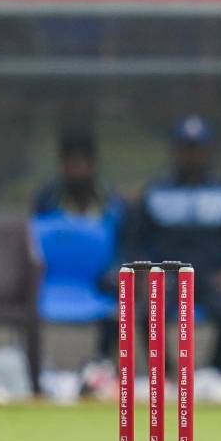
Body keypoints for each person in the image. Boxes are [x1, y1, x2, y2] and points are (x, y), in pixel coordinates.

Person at [133, 115, 221, 381]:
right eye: (186, 148)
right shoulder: (155, 193)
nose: (191, 155)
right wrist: (146, 274)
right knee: (148, 313)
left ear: (207, 151)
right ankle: (167, 376)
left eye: (197, 148)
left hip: (210, 277)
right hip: (166, 275)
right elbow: (137, 241)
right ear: (175, 151)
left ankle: (214, 375)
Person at [33, 128, 129, 360]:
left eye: (82, 161)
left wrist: (116, 270)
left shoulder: (113, 201)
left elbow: (127, 244)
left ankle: (102, 363)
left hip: (100, 280)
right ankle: (33, 369)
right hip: (51, 281)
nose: (76, 168)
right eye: (70, 161)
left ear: (93, 163)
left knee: (121, 292)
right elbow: (34, 245)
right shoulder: (47, 199)